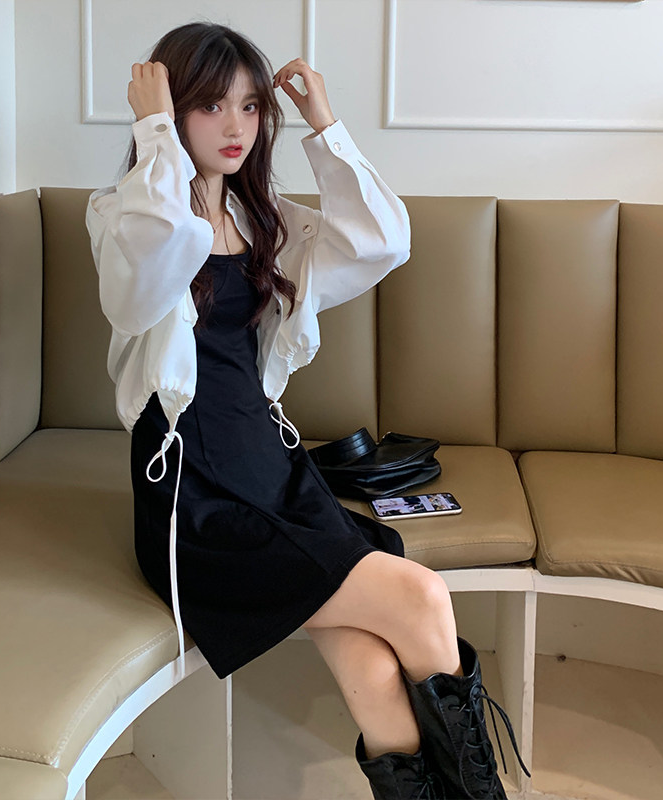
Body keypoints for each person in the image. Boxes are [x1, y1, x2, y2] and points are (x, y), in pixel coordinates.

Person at [85, 21, 526, 800]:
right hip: (199, 503)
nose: (235, 126)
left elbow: (383, 241)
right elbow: (149, 273)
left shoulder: (267, 222)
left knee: (372, 665)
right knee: (421, 595)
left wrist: (326, 127)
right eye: (210, 105)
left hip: (276, 475)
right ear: (171, 109)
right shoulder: (124, 214)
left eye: (251, 107)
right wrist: (153, 133)